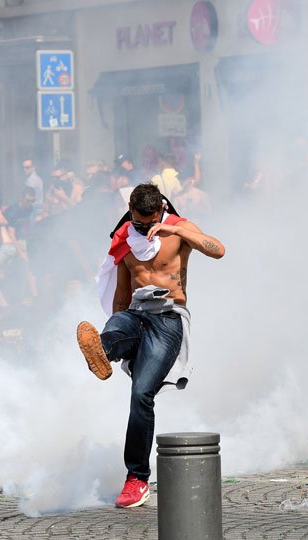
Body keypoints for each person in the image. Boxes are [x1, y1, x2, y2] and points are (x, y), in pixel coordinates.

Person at [76, 183, 225, 508]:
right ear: (130, 211)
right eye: (138, 222)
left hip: (168, 319)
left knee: (142, 395)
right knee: (117, 326)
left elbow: (218, 249)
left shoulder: (178, 229)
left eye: (149, 222)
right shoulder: (124, 238)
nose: (143, 228)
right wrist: (117, 321)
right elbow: (120, 293)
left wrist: (175, 228)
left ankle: (137, 479)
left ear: (160, 210)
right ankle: (104, 350)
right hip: (136, 314)